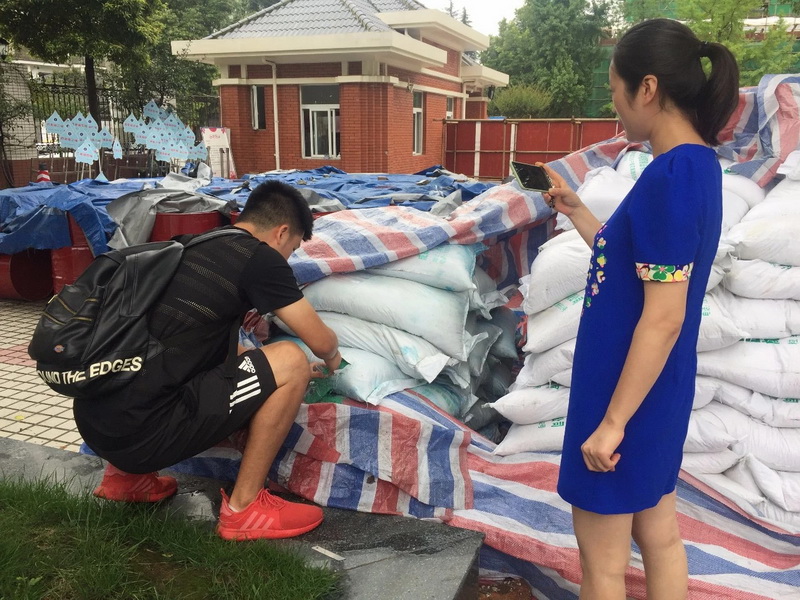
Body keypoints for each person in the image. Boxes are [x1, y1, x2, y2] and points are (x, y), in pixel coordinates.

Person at [540, 19, 739, 600]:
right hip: (656, 387)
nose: (614, 104)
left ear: (647, 87)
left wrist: (611, 424)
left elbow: (664, 315)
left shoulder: (669, 178)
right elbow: (635, 263)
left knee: (603, 566)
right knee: (659, 536)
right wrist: (578, 210)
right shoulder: (696, 167)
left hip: (622, 394)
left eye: (615, 89)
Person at [74, 179, 342, 541]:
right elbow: (319, 340)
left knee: (173, 364)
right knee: (292, 359)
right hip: (145, 436)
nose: (288, 258)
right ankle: (245, 508)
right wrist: (332, 358)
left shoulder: (189, 246)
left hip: (97, 424)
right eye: (293, 249)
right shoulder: (259, 257)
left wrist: (269, 370)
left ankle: (125, 480)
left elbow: (199, 346)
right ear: (281, 232)